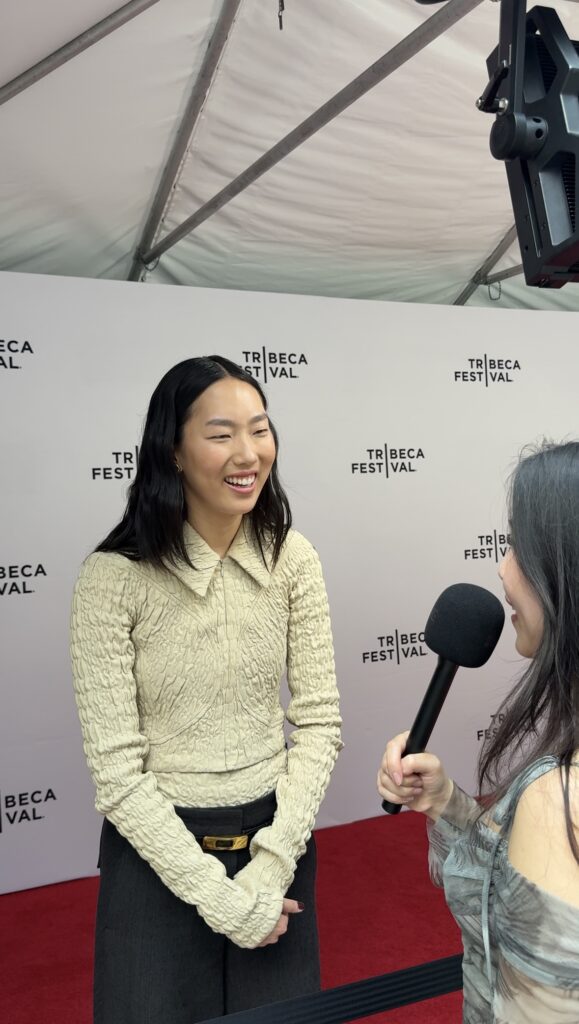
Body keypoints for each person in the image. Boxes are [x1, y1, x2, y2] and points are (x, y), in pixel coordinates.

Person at [70, 356, 342, 1024]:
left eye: (259, 429)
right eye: (221, 434)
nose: (248, 453)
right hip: (155, 858)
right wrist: (218, 900)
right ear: (174, 451)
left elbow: (319, 725)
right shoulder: (111, 579)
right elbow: (116, 771)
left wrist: (271, 867)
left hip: (272, 848)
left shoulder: (292, 558)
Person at [377, 440, 579, 1024]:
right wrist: (445, 805)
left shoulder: (556, 801)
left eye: (519, 545)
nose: (501, 566)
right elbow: (513, 899)